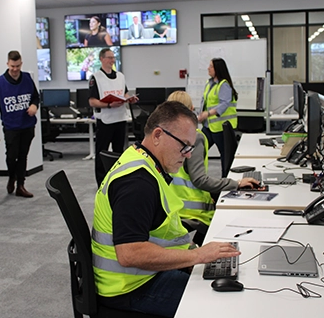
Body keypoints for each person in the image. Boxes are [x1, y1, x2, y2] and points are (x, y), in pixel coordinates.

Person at [92, 101, 241, 317]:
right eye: (185, 146)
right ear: (158, 135)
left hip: (141, 276)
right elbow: (129, 254)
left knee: (218, 290)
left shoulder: (144, 161)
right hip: (131, 287)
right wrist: (196, 256)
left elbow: (162, 230)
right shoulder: (137, 183)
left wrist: (191, 254)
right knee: (219, 306)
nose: (188, 154)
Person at [167, 91, 258, 245]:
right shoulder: (193, 138)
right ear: (190, 110)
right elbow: (200, 180)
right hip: (195, 213)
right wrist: (235, 183)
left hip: (172, 210)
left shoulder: (165, 137)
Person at [0, 50, 38, 198]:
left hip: (27, 124)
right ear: (7, 64)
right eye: (12, 66)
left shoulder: (28, 78)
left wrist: (34, 106)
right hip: (11, 126)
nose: (15, 69)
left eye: (17, 66)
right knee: (11, 156)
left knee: (23, 156)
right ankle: (12, 177)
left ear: (21, 64)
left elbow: (36, 97)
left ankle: (21, 185)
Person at [89, 48, 137, 187]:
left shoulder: (120, 76)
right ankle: (102, 182)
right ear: (102, 59)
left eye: (113, 57)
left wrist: (130, 99)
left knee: (119, 152)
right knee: (101, 152)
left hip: (120, 118)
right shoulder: (96, 77)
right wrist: (109, 104)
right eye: (109, 58)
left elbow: (125, 94)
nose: (112, 60)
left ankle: (118, 179)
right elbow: (92, 101)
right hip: (105, 119)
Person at [197, 58, 238, 178]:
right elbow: (205, 101)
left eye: (211, 66)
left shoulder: (223, 85)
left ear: (218, 69)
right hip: (208, 126)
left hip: (221, 127)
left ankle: (226, 180)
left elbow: (224, 104)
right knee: (199, 151)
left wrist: (208, 114)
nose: (208, 69)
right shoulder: (209, 83)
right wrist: (200, 114)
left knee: (225, 157)